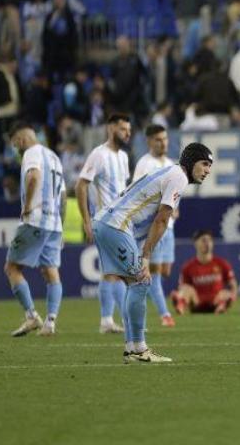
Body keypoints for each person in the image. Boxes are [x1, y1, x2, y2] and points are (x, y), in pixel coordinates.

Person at [93, 143, 213, 363]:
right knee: (141, 281)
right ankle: (139, 349)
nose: (207, 170)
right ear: (191, 160)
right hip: (116, 226)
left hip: (108, 223)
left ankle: (132, 348)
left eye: (210, 166)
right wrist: (146, 256)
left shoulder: (170, 172)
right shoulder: (179, 177)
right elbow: (162, 219)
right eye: (205, 164)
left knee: (134, 283)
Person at [5, 122, 65, 337]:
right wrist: (62, 227)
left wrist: (28, 205)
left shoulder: (31, 152)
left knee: (12, 268)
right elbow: (63, 197)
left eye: (14, 144)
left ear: (21, 140)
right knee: (51, 272)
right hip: (54, 223)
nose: (16, 149)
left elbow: (33, 176)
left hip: (35, 220)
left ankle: (31, 316)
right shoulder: (55, 158)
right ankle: (50, 322)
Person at [77, 113, 131, 334]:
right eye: (123, 129)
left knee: (114, 272)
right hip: (105, 220)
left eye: (129, 130)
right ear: (110, 129)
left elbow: (123, 190)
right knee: (118, 272)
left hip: (122, 220)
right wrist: (86, 220)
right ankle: (116, 319)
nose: (127, 134)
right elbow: (81, 185)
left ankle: (109, 320)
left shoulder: (124, 157)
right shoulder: (98, 155)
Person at [132, 125, 177, 327]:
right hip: (155, 226)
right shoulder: (145, 164)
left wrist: (175, 207)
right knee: (155, 273)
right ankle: (164, 314)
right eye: (158, 139)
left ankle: (151, 305)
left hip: (170, 226)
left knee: (165, 270)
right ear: (149, 141)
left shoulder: (169, 163)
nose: (163, 143)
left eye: (165, 139)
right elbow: (138, 192)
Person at [170, 230, 238, 314]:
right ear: (195, 243)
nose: (207, 243)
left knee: (225, 293)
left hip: (216, 302)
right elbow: (182, 287)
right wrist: (183, 294)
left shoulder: (221, 263)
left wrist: (233, 297)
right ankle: (180, 305)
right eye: (203, 240)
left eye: (210, 240)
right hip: (196, 303)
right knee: (187, 289)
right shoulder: (188, 266)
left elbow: (233, 284)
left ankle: (221, 307)